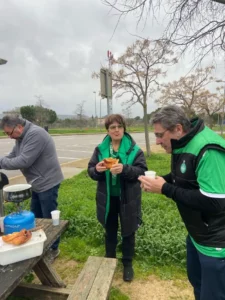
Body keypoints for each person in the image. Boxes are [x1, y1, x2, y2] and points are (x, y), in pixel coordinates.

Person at [138, 105, 225, 300]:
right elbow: (184, 177)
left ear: (178, 128)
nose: (158, 141)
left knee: (214, 295)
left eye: (160, 135)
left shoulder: (207, 149)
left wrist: (165, 189)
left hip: (216, 242)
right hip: (196, 234)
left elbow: (215, 202)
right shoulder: (182, 142)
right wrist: (163, 180)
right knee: (198, 286)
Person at [88, 114, 147, 282]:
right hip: (107, 199)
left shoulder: (134, 150)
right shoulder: (100, 149)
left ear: (124, 128)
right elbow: (90, 170)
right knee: (110, 230)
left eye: (119, 126)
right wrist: (97, 170)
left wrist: (125, 169)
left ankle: (127, 263)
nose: (116, 130)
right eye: (112, 127)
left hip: (127, 198)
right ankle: (110, 260)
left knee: (128, 231)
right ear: (107, 130)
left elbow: (142, 171)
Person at [0, 115, 64, 263]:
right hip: (35, 183)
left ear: (19, 127)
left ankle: (53, 249)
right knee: (36, 216)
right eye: (6, 134)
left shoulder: (36, 134)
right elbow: (12, 156)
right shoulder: (21, 138)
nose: (9, 137)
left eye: (10, 133)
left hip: (47, 182)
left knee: (48, 217)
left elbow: (24, 160)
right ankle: (40, 245)